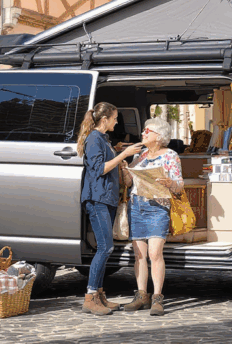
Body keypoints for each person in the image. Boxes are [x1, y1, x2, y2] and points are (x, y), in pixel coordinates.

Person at [78, 102, 143, 316]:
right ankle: (90, 297)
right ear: (104, 119)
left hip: (107, 198)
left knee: (106, 248)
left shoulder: (103, 139)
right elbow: (99, 169)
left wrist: (118, 150)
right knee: (104, 248)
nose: (117, 122)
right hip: (98, 199)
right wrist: (123, 156)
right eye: (115, 118)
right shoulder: (94, 138)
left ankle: (99, 294)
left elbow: (106, 159)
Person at [119, 117, 184, 316]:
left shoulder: (171, 155)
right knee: (139, 255)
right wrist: (124, 168)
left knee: (155, 254)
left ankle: (157, 297)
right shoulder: (141, 155)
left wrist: (169, 183)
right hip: (137, 205)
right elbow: (130, 184)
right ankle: (141, 296)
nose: (143, 134)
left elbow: (180, 185)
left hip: (157, 206)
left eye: (148, 131)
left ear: (159, 136)